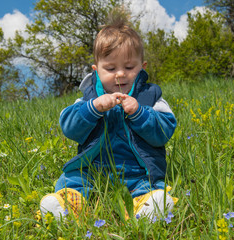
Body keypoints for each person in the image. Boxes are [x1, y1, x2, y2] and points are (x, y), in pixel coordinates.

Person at [40, 15, 177, 220]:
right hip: (93, 167)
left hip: (138, 170)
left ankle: (147, 206)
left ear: (143, 67)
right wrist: (93, 108)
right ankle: (67, 206)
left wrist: (140, 113)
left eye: (129, 67)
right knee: (74, 180)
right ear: (97, 69)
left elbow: (164, 131)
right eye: (111, 68)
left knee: (149, 186)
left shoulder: (150, 97)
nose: (120, 74)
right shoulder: (89, 98)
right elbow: (68, 127)